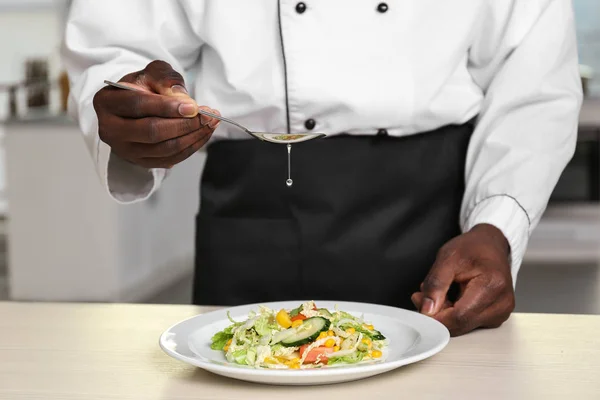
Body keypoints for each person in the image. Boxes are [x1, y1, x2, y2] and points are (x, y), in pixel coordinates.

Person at [62, 0, 582, 336]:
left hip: (434, 220)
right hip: (254, 214)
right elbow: (117, 44)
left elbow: (534, 86)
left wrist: (497, 225)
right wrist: (124, 95)